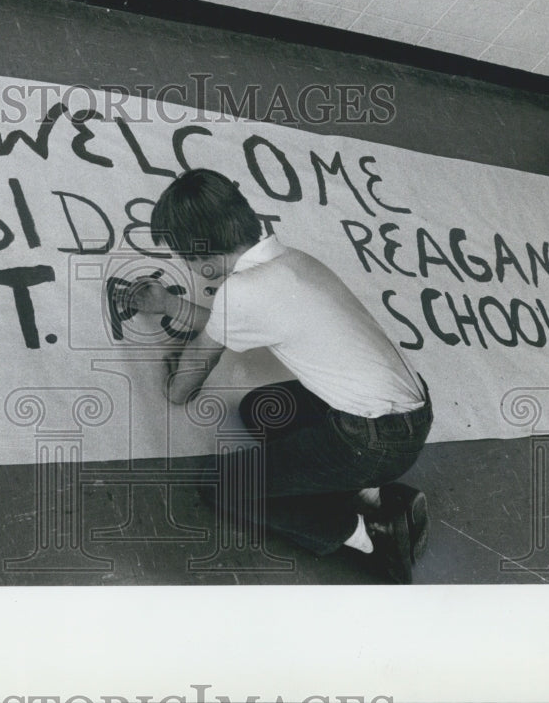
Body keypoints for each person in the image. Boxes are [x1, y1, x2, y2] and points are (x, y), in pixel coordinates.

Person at [122, 168, 432, 583]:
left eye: (185, 258)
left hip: (372, 442)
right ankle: (371, 493)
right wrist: (170, 305)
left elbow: (193, 371)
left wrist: (171, 385)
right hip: (409, 420)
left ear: (201, 256)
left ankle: (370, 533)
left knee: (223, 484)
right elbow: (226, 323)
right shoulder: (293, 262)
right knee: (261, 410)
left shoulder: (244, 290)